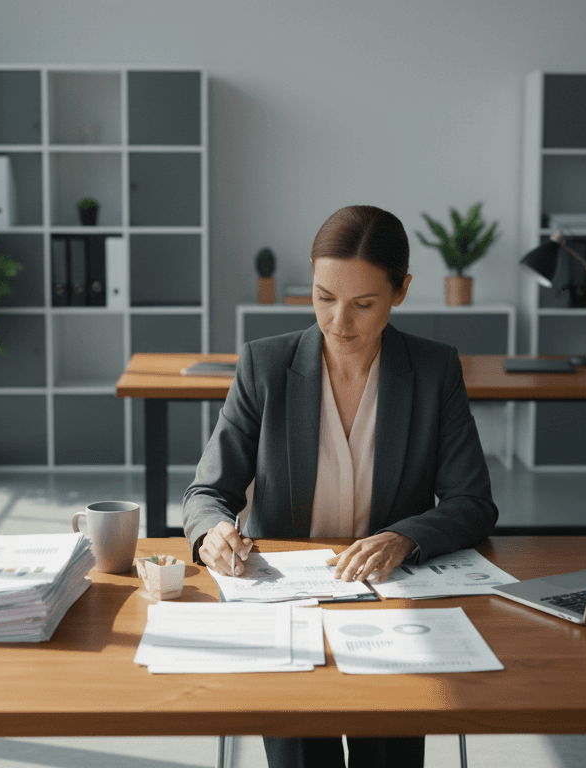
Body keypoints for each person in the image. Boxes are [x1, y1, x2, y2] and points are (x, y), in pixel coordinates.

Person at [182, 205, 499, 768]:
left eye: (363, 304)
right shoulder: (265, 365)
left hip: (391, 602)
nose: (338, 322)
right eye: (324, 297)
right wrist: (211, 533)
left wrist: (404, 536)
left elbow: (472, 502)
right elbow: (208, 493)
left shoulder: (433, 370)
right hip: (286, 600)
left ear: (400, 291)